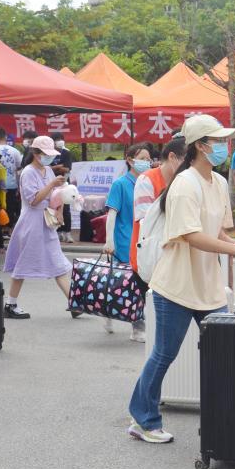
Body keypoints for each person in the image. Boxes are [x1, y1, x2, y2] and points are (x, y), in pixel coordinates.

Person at [128, 115, 235, 444]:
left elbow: (217, 232)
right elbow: (191, 235)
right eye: (218, 141)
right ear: (201, 146)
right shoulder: (185, 184)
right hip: (176, 286)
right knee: (164, 354)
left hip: (207, 286)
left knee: (225, 352)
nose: (224, 146)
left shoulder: (218, 182)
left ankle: (228, 417)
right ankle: (143, 418)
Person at [1, 136, 73, 319]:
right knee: (24, 261)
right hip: (31, 222)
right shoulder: (28, 172)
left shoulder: (47, 170)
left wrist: (59, 209)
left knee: (57, 261)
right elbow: (33, 200)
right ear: (35, 153)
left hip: (46, 221)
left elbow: (57, 194)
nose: (49, 157)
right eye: (45, 154)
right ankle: (10, 303)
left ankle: (74, 302)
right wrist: (52, 184)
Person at [100, 143, 154, 341]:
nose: (147, 162)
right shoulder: (120, 184)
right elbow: (112, 214)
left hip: (145, 242)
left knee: (133, 285)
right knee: (133, 286)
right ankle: (137, 328)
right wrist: (109, 241)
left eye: (149, 159)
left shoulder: (148, 182)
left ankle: (109, 311)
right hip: (125, 242)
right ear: (130, 160)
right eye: (142, 158)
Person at [130, 136, 187, 283]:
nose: (189, 167)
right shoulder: (147, 180)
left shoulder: (183, 181)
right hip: (151, 257)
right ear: (172, 157)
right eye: (186, 161)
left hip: (175, 259)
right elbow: (146, 222)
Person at [0, 129, 24, 227]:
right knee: (10, 207)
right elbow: (19, 167)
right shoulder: (15, 151)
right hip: (11, 184)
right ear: (5, 137)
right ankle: (9, 228)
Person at [51, 135, 74, 243]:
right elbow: (47, 168)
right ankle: (58, 232)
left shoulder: (66, 153)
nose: (59, 142)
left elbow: (67, 169)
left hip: (64, 184)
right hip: (52, 184)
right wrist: (58, 167)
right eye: (56, 140)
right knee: (54, 208)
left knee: (66, 209)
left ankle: (67, 233)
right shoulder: (49, 153)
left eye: (60, 139)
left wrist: (54, 168)